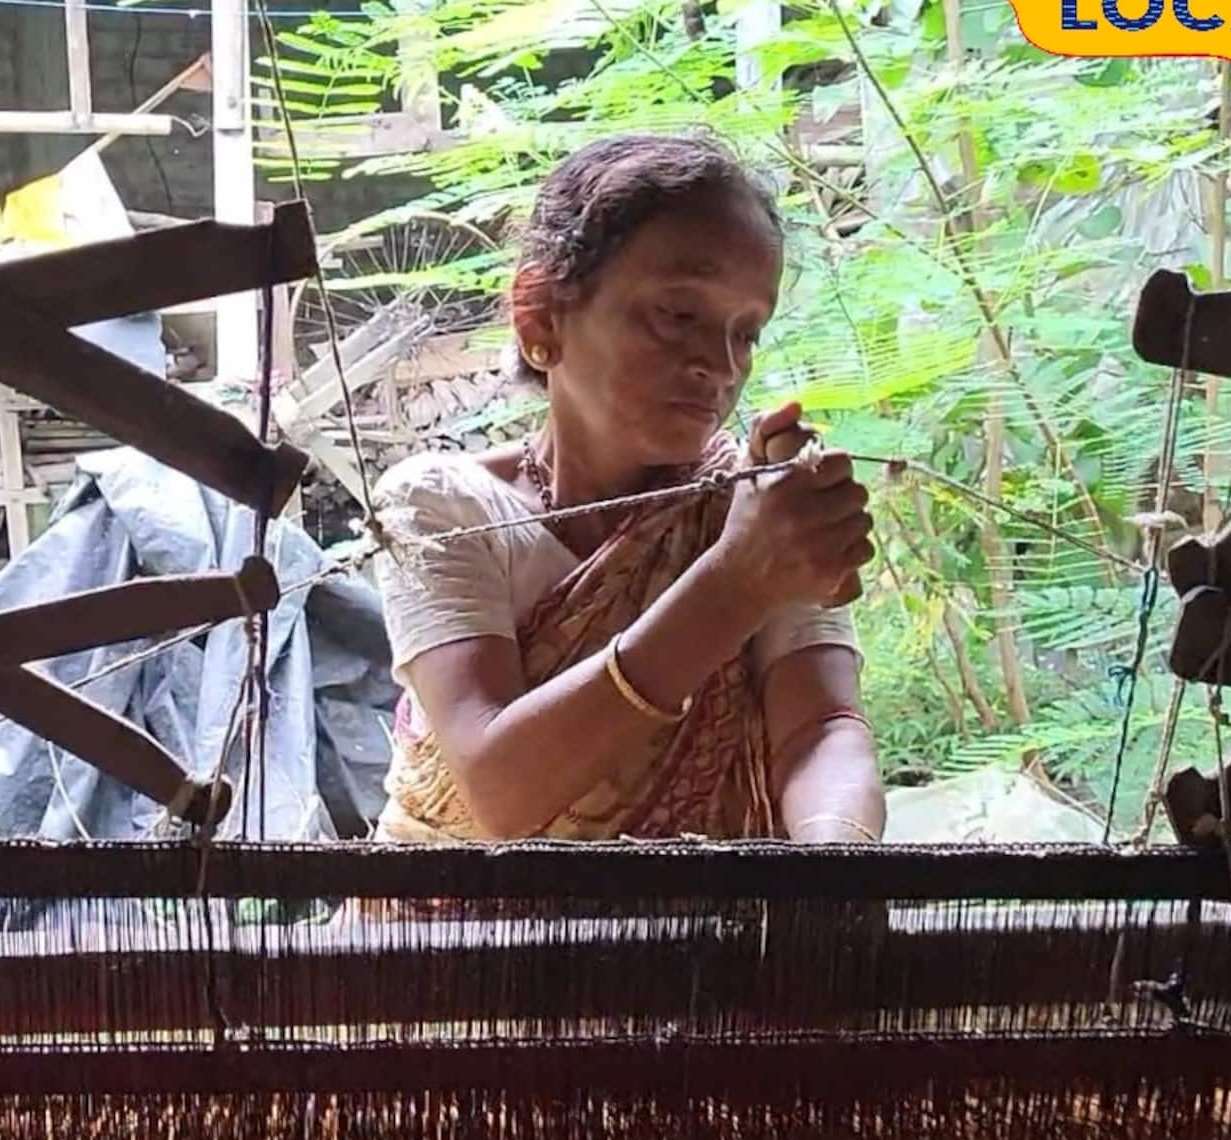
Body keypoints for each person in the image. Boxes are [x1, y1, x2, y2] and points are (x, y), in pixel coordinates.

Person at [371, 133, 883, 844]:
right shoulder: (443, 508)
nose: (719, 363)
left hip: (699, 948)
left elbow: (822, 728)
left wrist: (835, 862)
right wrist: (737, 583)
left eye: (747, 333)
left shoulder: (750, 504)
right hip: (455, 947)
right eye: (677, 315)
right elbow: (500, 792)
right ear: (541, 318)